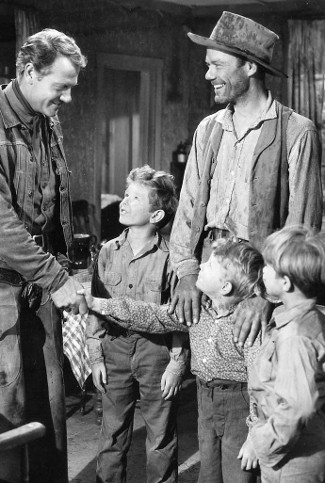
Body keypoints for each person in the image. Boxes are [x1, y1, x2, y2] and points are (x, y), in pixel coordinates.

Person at [169, 11, 323, 344]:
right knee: (209, 380)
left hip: (260, 284)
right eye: (207, 65)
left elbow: (303, 229)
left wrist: (265, 296)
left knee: (256, 385)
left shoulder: (297, 131)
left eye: (217, 65)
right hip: (209, 279)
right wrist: (186, 272)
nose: (208, 74)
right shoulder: (208, 130)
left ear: (250, 67)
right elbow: (188, 208)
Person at [84, 238, 264, 483]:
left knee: (239, 474)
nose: (201, 267)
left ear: (225, 287)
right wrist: (99, 304)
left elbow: (260, 384)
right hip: (206, 400)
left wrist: (256, 434)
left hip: (239, 404)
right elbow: (149, 315)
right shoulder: (196, 309)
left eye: (210, 265)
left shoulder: (248, 324)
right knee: (209, 474)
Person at [0, 29, 87, 483]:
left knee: (51, 411)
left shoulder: (45, 120)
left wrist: (63, 272)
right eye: (62, 86)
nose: (68, 98)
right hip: (4, 289)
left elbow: (54, 206)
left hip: (43, 284)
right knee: (9, 413)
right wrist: (56, 278)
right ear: (30, 73)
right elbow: (1, 226)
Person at [86, 165, 189, 483]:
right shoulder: (107, 252)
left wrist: (177, 363)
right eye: (125, 194)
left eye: (134, 197)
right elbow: (94, 309)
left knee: (160, 439)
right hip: (114, 350)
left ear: (156, 215)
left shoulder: (172, 258)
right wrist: (95, 355)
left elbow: (180, 319)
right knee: (111, 438)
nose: (124, 201)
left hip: (156, 354)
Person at [239, 225, 325, 482]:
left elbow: (298, 406)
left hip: (293, 459)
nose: (262, 270)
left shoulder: (295, 336)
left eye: (267, 266)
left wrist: (263, 443)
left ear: (285, 282)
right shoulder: (307, 319)